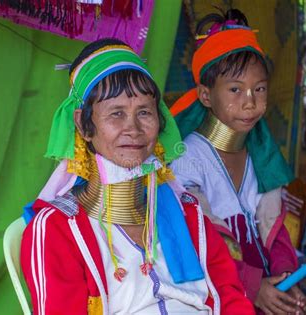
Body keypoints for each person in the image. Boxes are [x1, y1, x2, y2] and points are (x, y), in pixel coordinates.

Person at [20, 38, 255, 314]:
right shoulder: (57, 229)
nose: (133, 128)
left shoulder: (187, 214)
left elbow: (231, 298)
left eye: (144, 112)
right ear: (83, 125)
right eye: (116, 113)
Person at [170, 9, 306, 315]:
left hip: (264, 289)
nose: (250, 101)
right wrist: (253, 287)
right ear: (206, 95)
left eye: (259, 89)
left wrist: (285, 278)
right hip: (216, 293)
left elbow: (275, 229)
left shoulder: (259, 154)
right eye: (235, 89)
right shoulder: (187, 160)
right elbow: (194, 244)